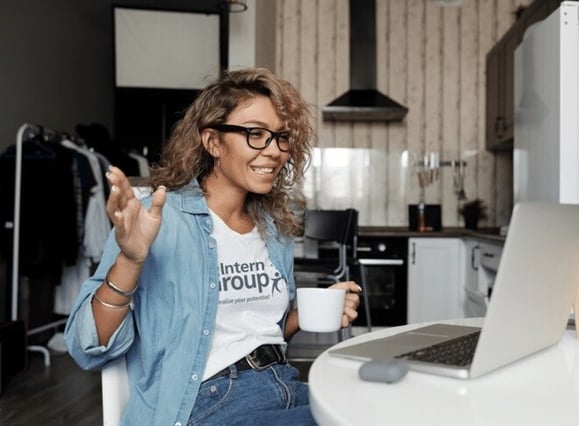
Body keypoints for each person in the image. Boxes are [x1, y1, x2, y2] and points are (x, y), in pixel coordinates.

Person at [64, 68, 361, 425]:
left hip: (283, 384)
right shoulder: (156, 219)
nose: (275, 151)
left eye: (281, 137)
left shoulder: (273, 229)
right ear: (213, 142)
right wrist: (130, 259)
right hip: (207, 405)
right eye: (256, 134)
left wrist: (302, 316)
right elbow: (86, 347)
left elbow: (250, 334)